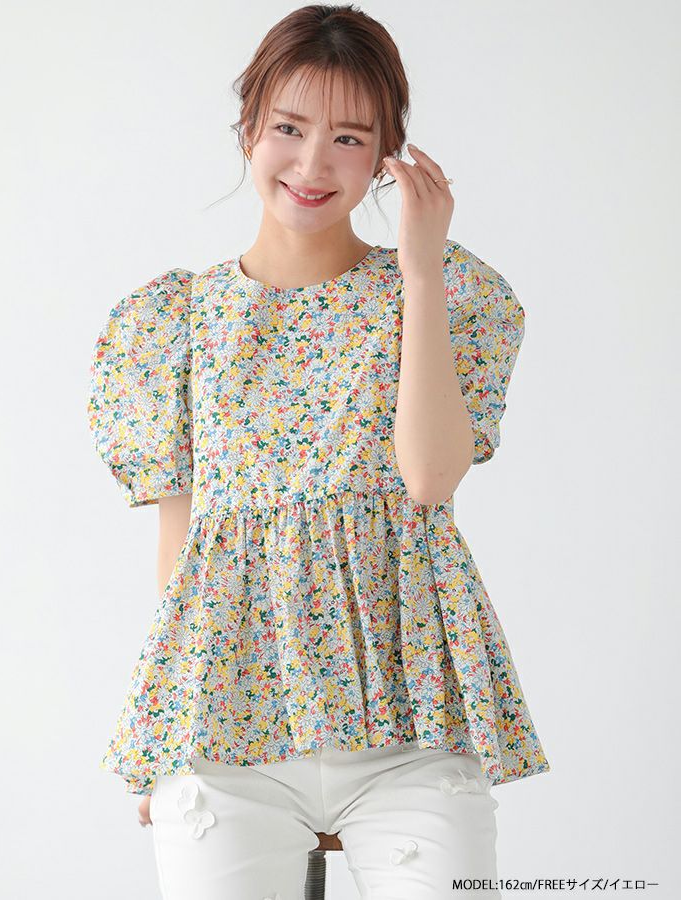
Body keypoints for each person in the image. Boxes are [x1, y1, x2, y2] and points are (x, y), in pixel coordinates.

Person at [86, 4, 550, 898]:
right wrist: (167, 731)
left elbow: (430, 478)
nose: (310, 165)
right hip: (229, 733)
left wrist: (420, 270)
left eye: (348, 138)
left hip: (411, 728)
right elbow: (182, 549)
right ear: (248, 129)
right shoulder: (171, 322)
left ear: (387, 155)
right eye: (289, 129)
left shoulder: (449, 294)